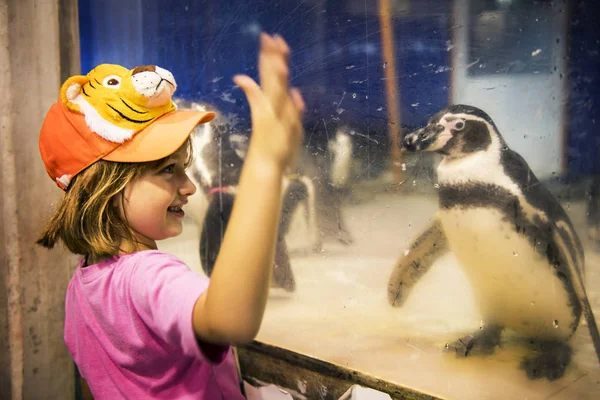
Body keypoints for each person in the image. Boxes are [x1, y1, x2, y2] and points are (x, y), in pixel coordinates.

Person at [36, 32, 304, 399]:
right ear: (106, 186)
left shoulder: (82, 286)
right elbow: (231, 320)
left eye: (184, 168)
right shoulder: (146, 275)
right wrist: (266, 165)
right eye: (167, 170)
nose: (189, 186)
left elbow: (93, 383)